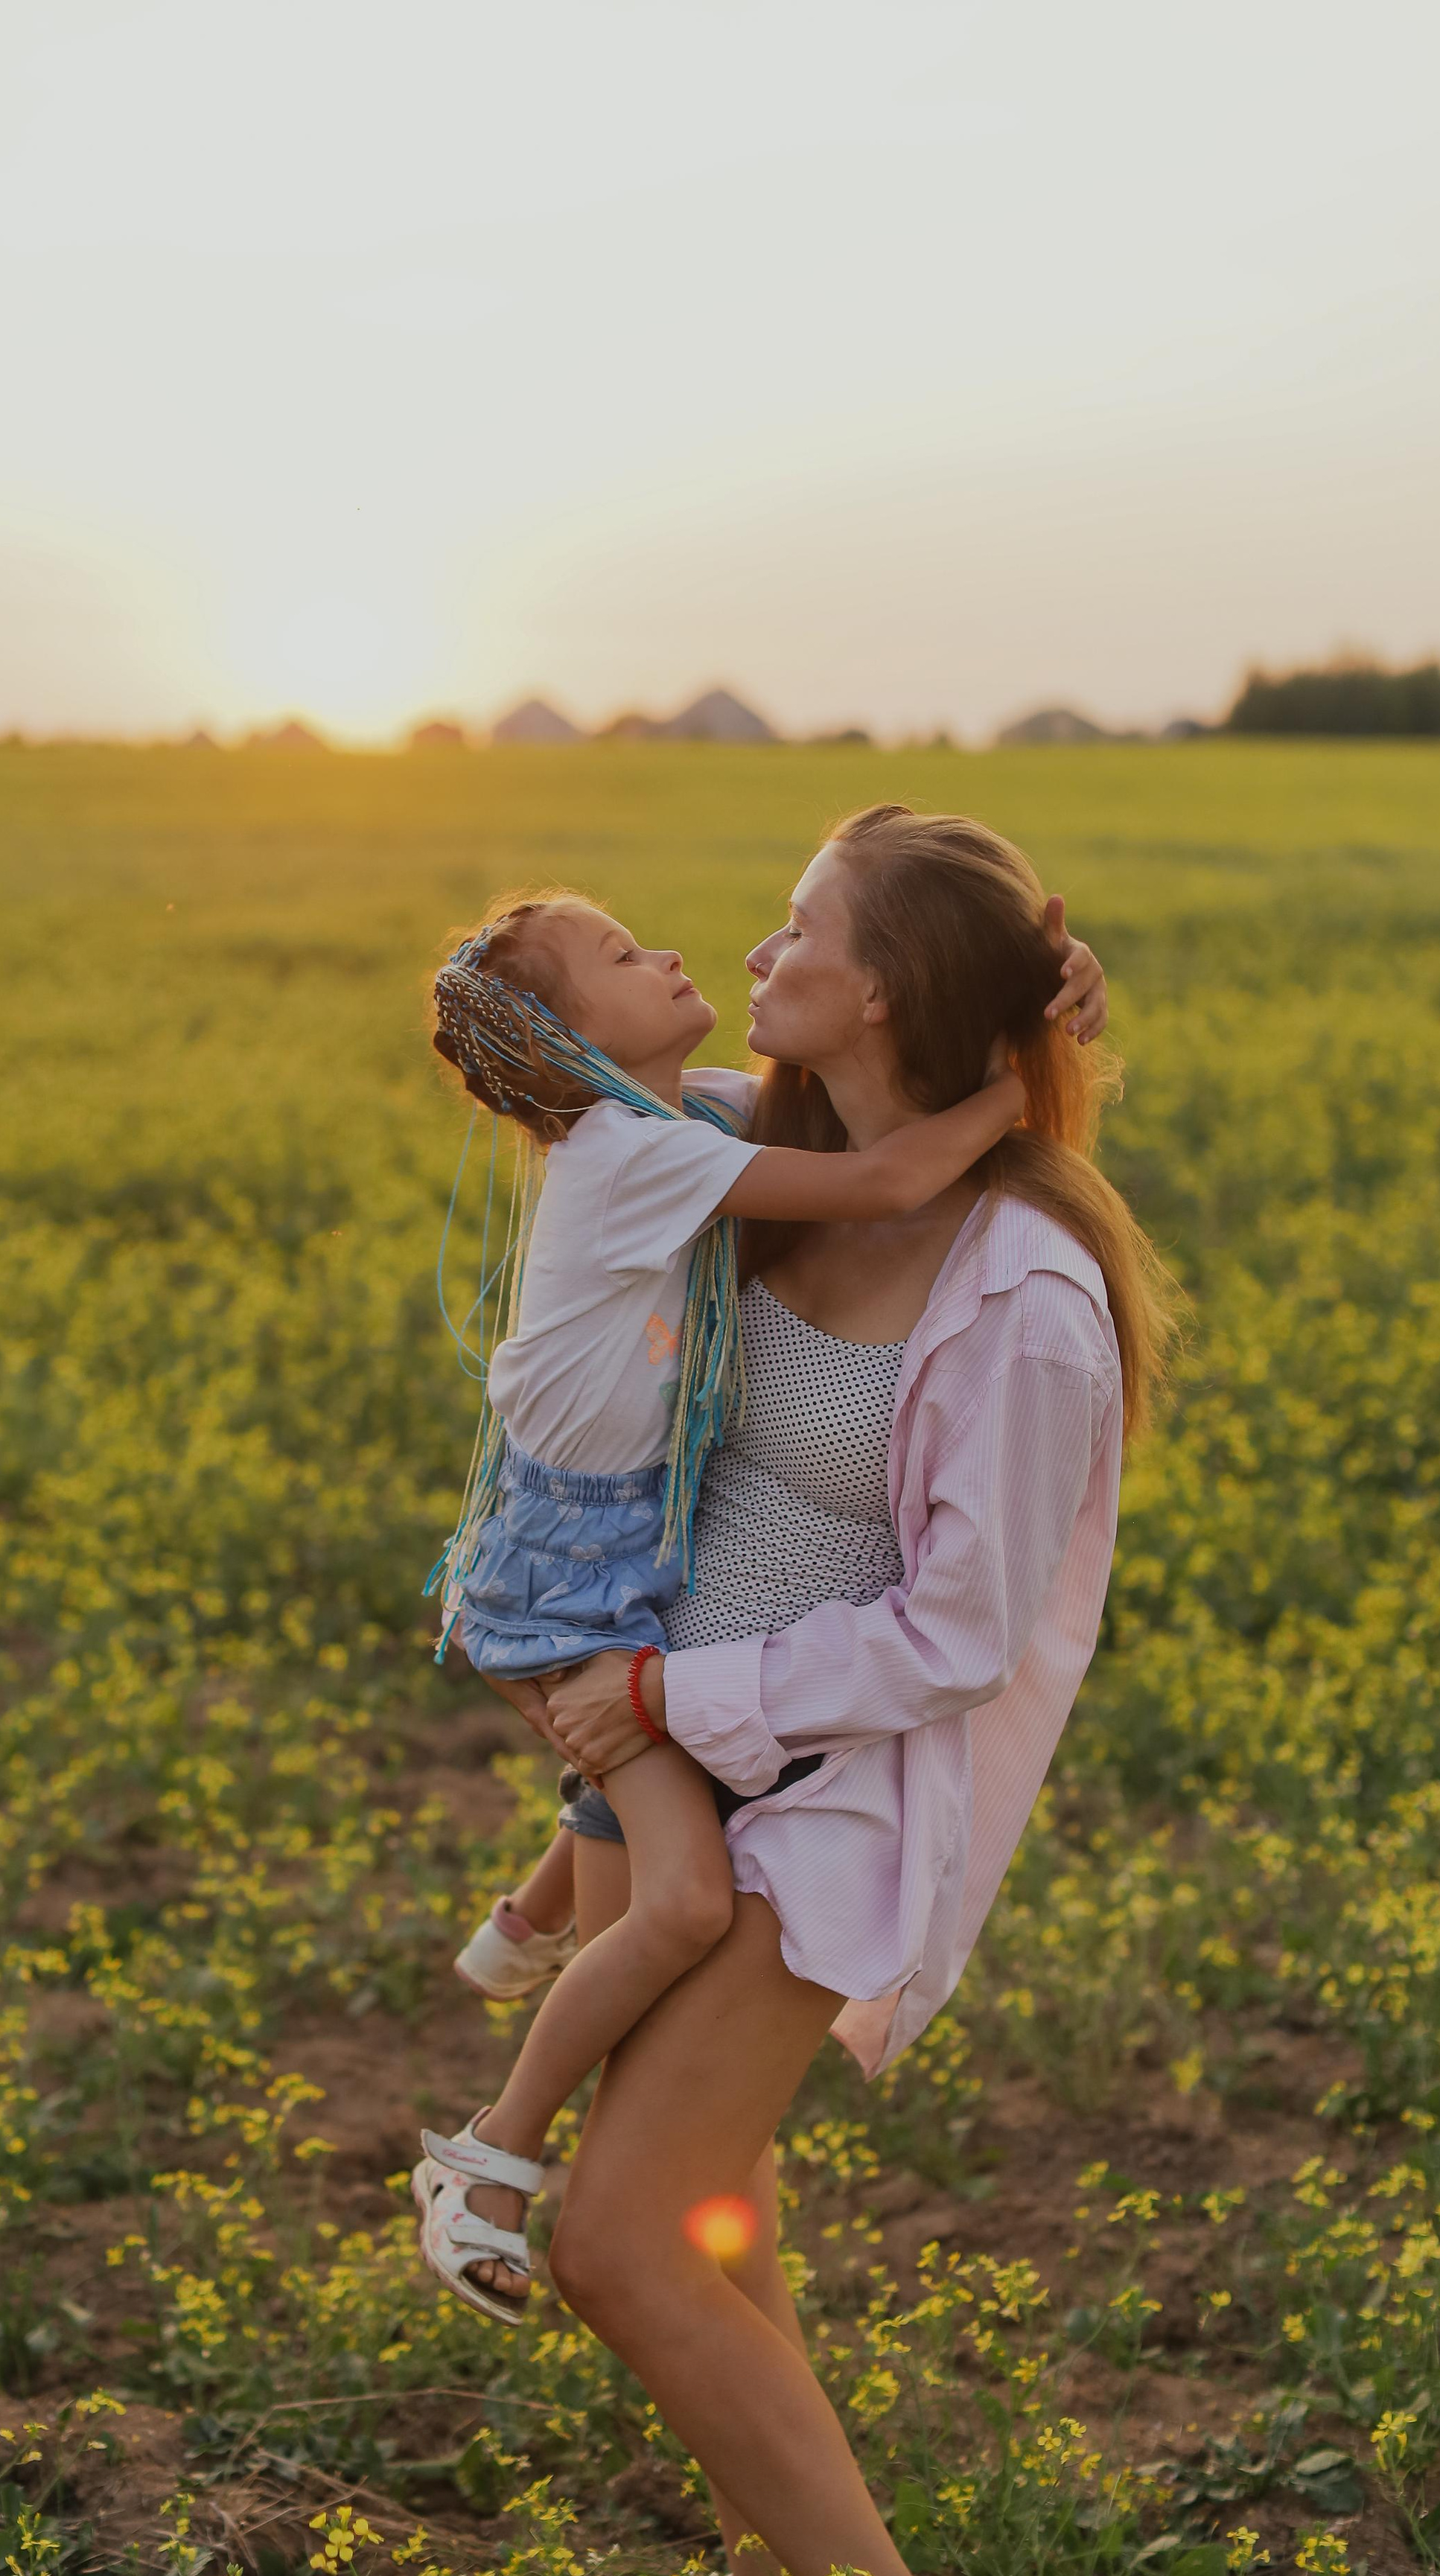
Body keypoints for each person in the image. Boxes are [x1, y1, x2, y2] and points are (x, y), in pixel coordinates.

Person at [467, 805, 1170, 2576]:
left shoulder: (1024, 1293)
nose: (756, 952)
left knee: (618, 2234)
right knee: (713, 2213)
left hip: (834, 1790)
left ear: (888, 996)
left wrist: (673, 1694)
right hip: (678, 1749)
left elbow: (956, 1635)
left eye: (800, 931)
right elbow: (561, 1073)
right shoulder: (742, 1136)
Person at [412, 895, 1073, 2328]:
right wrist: (1024, 1089)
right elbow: (886, 1180)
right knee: (678, 1907)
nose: (670, 953)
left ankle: (522, 1920)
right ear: (577, 1044)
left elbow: (822, 1116)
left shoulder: (662, 1126)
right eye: (620, 959)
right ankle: (491, 2152)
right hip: (574, 1579)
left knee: (636, 1817)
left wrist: (1012, 992)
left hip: (599, 1554)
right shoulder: (636, 1155)